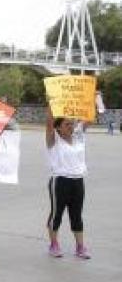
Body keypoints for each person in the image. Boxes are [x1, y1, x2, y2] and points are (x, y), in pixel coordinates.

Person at [45, 108, 90, 259]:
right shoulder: (54, 140)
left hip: (78, 181)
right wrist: (51, 105)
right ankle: (54, 244)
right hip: (60, 181)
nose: (71, 127)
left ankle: (80, 247)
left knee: (77, 215)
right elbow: (49, 124)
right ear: (58, 127)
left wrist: (93, 100)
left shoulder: (78, 136)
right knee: (56, 214)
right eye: (67, 124)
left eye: (72, 124)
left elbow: (89, 118)